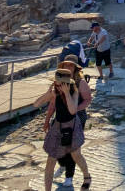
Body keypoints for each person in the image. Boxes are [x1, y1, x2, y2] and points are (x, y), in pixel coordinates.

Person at [34, 68, 92, 191]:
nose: (57, 85)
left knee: (76, 155)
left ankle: (87, 176)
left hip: (72, 125)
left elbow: (72, 110)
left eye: (59, 83)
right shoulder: (55, 92)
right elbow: (36, 104)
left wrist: (66, 93)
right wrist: (47, 94)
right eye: (56, 82)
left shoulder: (74, 92)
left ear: (67, 83)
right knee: (51, 161)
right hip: (57, 127)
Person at [48, 55, 92, 188]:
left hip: (76, 118)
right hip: (60, 118)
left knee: (72, 150)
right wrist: (47, 120)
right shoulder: (58, 81)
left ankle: (70, 177)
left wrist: (75, 109)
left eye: (71, 65)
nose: (68, 67)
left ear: (75, 68)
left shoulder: (80, 82)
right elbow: (52, 103)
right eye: (65, 65)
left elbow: (88, 99)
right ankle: (63, 165)